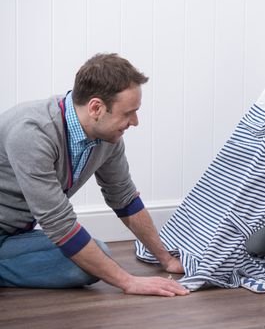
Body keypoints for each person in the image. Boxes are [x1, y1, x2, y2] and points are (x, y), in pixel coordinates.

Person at [0, 53, 188, 297]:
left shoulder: (107, 138)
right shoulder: (33, 133)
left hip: (13, 235)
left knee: (92, 261)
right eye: (128, 112)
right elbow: (59, 224)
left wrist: (166, 259)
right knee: (93, 262)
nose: (135, 121)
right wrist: (129, 282)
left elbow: (125, 199)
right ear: (97, 108)